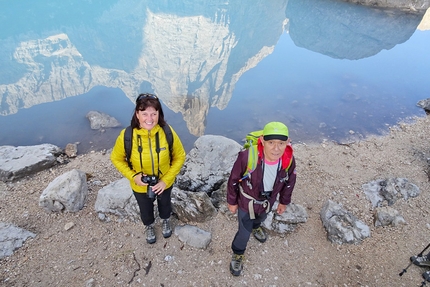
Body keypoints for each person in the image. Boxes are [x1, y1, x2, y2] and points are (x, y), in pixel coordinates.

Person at [111, 93, 186, 244]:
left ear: (159, 114)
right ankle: (149, 225)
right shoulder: (127, 135)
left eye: (153, 113)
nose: (149, 119)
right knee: (145, 207)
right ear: (137, 114)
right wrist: (134, 177)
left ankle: (165, 220)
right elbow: (116, 158)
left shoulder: (167, 132)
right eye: (144, 114)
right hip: (140, 185)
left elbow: (180, 156)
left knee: (165, 203)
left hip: (164, 181)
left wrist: (165, 180)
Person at [226, 121, 297, 276]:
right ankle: (238, 253)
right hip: (247, 203)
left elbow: (290, 181)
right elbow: (233, 179)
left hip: (267, 202)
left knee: (261, 217)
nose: (276, 148)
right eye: (271, 142)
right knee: (244, 232)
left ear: (288, 142)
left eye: (281, 143)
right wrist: (232, 201)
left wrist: (284, 201)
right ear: (263, 140)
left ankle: (256, 226)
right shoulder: (247, 157)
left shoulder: (288, 159)